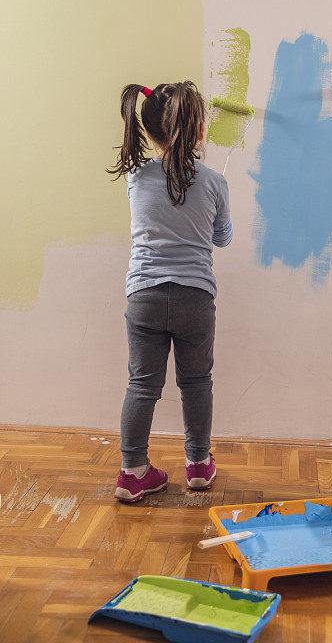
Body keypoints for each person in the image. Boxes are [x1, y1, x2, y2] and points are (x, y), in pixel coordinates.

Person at [107, 82, 233, 501]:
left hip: (142, 297)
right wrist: (214, 195)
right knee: (197, 382)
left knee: (142, 385)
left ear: (149, 130)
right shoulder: (214, 182)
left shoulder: (135, 178)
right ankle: (198, 465)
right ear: (198, 130)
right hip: (196, 298)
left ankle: (132, 471)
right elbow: (222, 238)